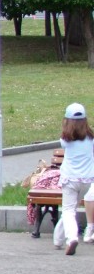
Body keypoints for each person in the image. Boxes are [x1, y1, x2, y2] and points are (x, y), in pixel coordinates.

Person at [54, 102, 94, 255]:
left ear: (67, 121)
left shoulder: (65, 140)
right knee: (69, 209)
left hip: (70, 180)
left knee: (68, 211)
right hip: (86, 181)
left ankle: (71, 238)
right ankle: (58, 240)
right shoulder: (91, 139)